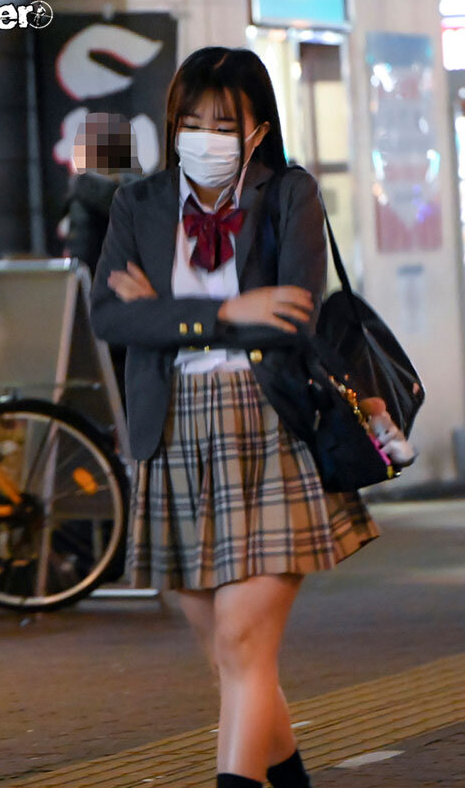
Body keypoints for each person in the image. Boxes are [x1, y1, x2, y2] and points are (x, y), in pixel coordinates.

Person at [90, 46, 381, 788]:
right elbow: (110, 318)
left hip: (268, 427)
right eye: (192, 122)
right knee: (228, 654)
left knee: (243, 641)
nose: (206, 138)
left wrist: (165, 310)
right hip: (171, 432)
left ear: (258, 129)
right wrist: (223, 310)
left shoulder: (289, 194)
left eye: (225, 125)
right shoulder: (139, 204)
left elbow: (292, 317)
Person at [60, 112, 141, 407]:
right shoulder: (142, 196)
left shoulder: (83, 199)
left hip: (98, 316)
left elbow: (81, 260)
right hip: (139, 311)